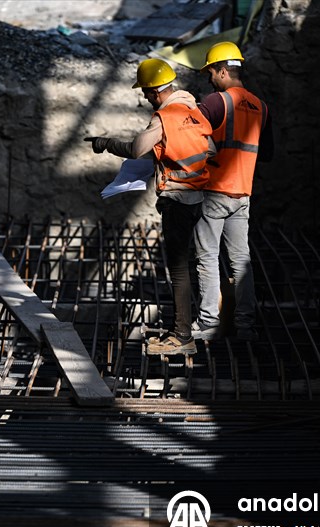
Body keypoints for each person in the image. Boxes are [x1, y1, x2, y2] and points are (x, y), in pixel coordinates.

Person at [85, 59, 215, 356]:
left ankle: (182, 335)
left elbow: (135, 149)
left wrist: (105, 143)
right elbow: (210, 150)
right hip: (199, 198)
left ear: (156, 91)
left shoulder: (164, 115)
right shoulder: (193, 111)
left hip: (178, 201)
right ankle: (198, 324)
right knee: (199, 263)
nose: (144, 97)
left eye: (145, 91)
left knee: (179, 270)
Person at [192, 41, 274, 342]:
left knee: (207, 257)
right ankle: (245, 326)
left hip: (213, 192)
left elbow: (189, 137)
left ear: (223, 70)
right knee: (241, 260)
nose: (210, 79)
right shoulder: (261, 107)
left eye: (212, 72)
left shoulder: (216, 102)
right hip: (242, 195)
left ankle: (209, 324)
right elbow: (266, 153)